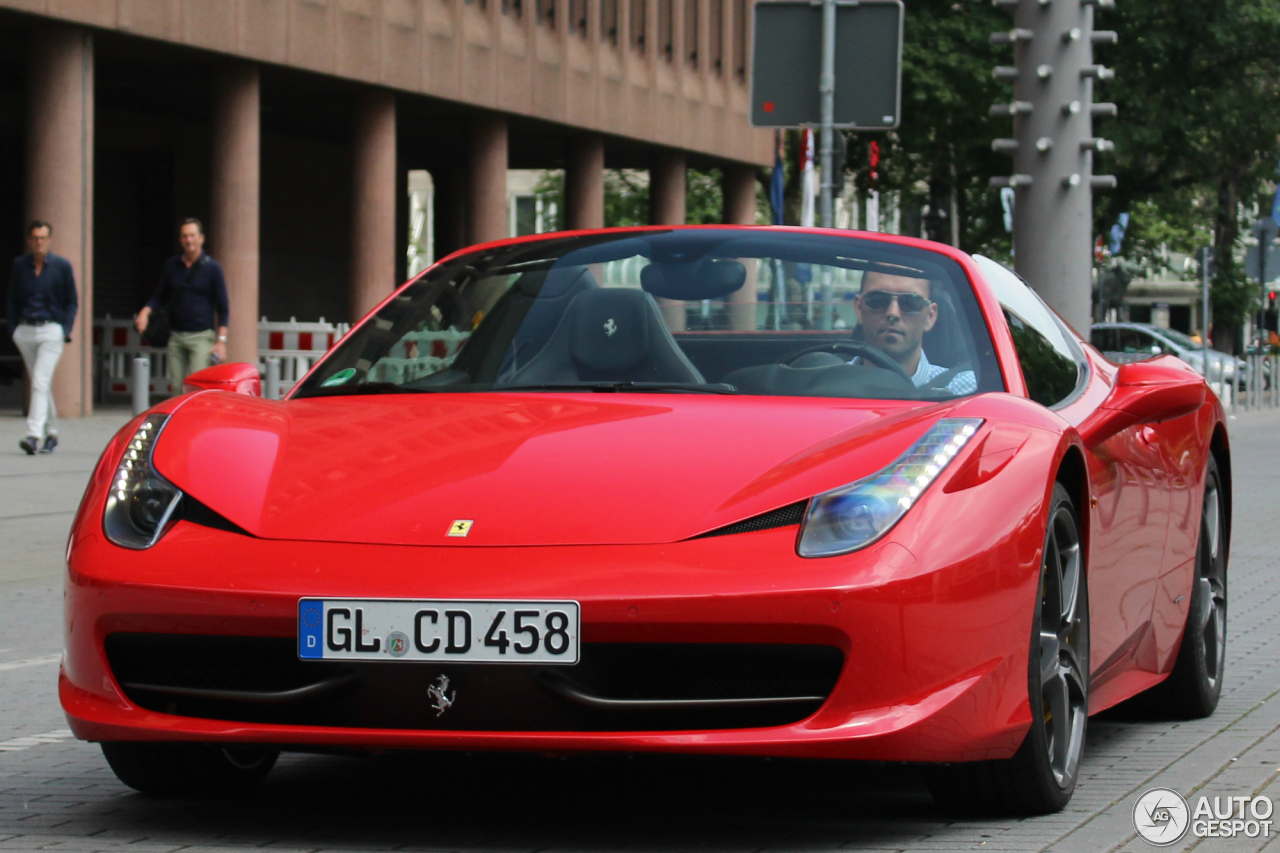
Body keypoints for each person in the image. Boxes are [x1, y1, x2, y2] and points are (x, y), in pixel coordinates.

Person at [7, 221, 78, 455]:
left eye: (43, 238)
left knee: (39, 380)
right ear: (29, 240)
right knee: (41, 384)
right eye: (35, 238)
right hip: (25, 330)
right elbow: (12, 299)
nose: (39, 242)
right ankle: (52, 433)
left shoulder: (61, 266)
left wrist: (64, 329)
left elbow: (72, 301)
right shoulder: (20, 265)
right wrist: (13, 330)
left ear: (50, 239)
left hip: (51, 330)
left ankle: (33, 434)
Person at [135, 219, 229, 390]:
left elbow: (223, 306)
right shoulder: (172, 265)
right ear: (180, 240)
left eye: (192, 235)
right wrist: (145, 311)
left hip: (201, 337)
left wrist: (221, 341)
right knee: (177, 388)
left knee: (196, 387)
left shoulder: (213, 268)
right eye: (184, 236)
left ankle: (198, 417)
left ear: (201, 238)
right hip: (175, 335)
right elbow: (159, 295)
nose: (189, 240)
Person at [852, 271, 977, 395]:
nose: (893, 313)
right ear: (859, 308)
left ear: (930, 316)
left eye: (910, 302)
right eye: (878, 300)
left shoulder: (967, 392)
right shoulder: (832, 380)